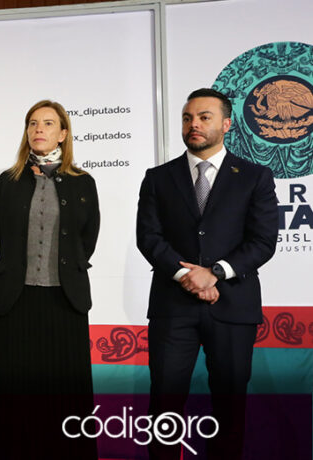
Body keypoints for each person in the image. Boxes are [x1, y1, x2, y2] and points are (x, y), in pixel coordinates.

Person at [136, 88, 276, 460]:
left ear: (226, 124)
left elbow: (263, 241)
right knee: (164, 406)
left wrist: (214, 273)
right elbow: (148, 237)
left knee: (229, 408)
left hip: (233, 307)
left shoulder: (254, 177)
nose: (193, 124)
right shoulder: (158, 178)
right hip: (172, 308)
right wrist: (186, 277)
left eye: (203, 117)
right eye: (187, 118)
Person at [0, 99, 100, 459]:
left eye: (48, 123)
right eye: (33, 123)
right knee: (19, 391)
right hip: (18, 299)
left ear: (63, 133)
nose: (39, 129)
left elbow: (88, 238)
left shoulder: (83, 182)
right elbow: (7, 239)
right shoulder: (8, 182)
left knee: (66, 391)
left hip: (65, 299)